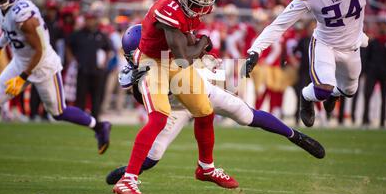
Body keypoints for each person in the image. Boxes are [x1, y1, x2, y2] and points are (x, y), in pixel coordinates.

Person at [105, 24, 325, 185]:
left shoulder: (169, 50)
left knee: (246, 114)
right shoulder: (135, 74)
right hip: (173, 108)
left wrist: (202, 53)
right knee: (152, 158)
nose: (142, 56)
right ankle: (127, 173)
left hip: (196, 92)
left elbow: (190, 55)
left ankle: (295, 136)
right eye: (136, 54)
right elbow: (139, 93)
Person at [113, 0, 237, 194]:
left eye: (201, 4)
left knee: (204, 111)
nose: (198, 9)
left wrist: (198, 45)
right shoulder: (167, 9)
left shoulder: (187, 5)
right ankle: (127, 179)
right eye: (194, 3)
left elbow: (186, 45)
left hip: (171, 61)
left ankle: (206, 167)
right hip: (154, 64)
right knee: (159, 117)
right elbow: (183, 58)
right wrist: (203, 44)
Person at [240, 0, 386, 128]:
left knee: (349, 91)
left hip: (352, 45)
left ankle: (334, 94)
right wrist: (256, 50)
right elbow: (280, 23)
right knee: (323, 88)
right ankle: (306, 97)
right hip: (325, 44)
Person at [0, 0, 111, 155]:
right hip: (20, 61)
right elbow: (8, 28)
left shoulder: (25, 17)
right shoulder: (0, 9)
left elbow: (39, 51)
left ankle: (100, 127)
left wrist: (21, 78)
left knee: (58, 112)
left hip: (43, 65)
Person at [67, 11, 113, 119]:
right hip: (83, 69)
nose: (90, 22)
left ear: (95, 20)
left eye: (92, 19)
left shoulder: (101, 35)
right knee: (81, 94)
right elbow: (68, 45)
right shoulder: (78, 34)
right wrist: (71, 59)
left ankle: (95, 117)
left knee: (96, 95)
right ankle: (79, 117)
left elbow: (108, 50)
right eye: (88, 19)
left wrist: (105, 63)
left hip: (97, 71)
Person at [362, 21, 386, 128]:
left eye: (383, 26)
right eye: (380, 26)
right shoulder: (373, 42)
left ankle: (382, 122)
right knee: (367, 95)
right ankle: (365, 120)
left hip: (385, 74)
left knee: (384, 97)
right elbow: (366, 58)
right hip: (372, 73)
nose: (381, 28)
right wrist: (365, 72)